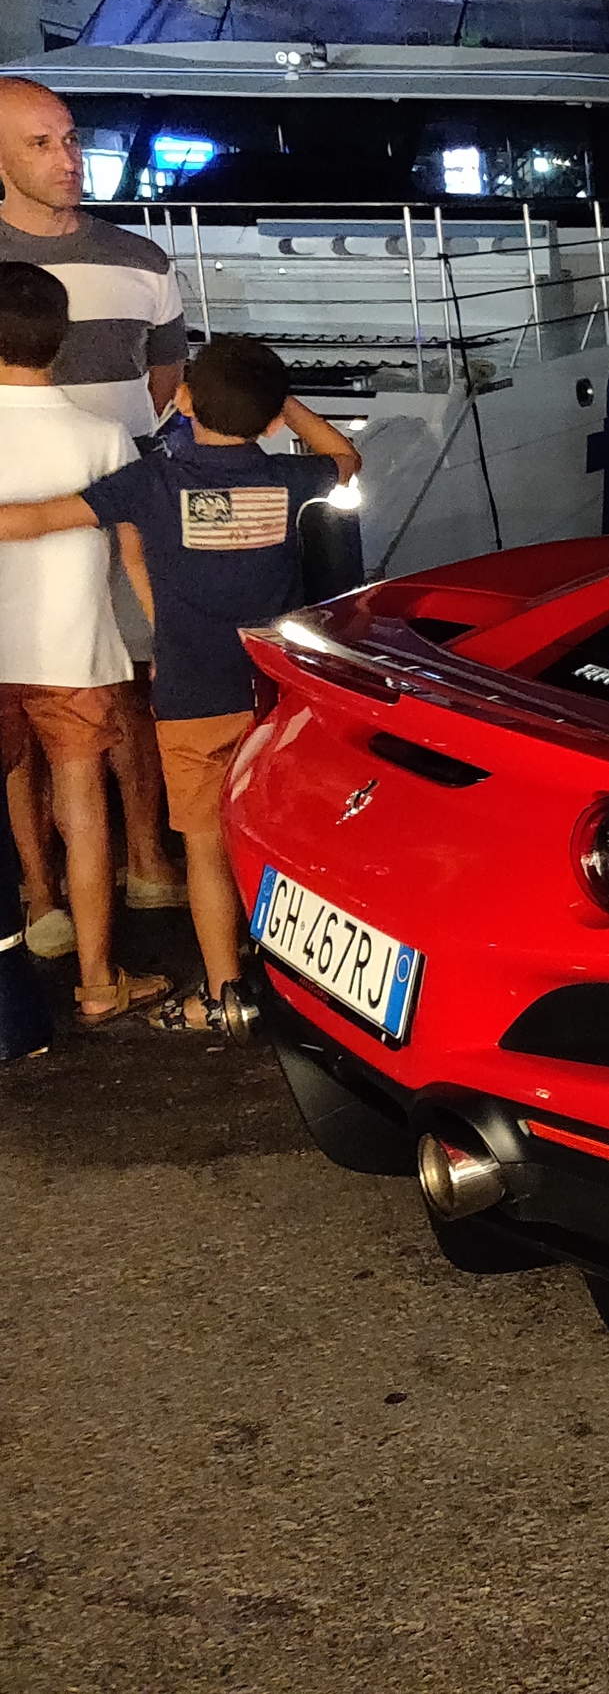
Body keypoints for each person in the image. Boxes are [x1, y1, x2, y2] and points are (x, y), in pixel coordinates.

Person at [0, 335, 358, 1027]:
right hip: (274, 698)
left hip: (192, 699)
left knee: (203, 845)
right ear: (274, 420)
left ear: (185, 401)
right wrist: (282, 403)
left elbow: (41, 518)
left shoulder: (153, 482)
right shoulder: (289, 482)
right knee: (281, 839)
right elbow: (345, 458)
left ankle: (226, 993)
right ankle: (302, 984)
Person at [0, 74, 186, 914]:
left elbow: (165, 379)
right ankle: (44, 897)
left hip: (125, 509)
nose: (69, 158)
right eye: (42, 143)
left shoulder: (142, 259)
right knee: (28, 705)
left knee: (133, 686)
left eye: (71, 138)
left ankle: (145, 858)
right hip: (26, 515)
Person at [0, 262, 168, 1022]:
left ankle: (38, 903)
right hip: (76, 654)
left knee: (12, 779)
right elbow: (140, 560)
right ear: (59, 340)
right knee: (84, 807)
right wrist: (167, 643)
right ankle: (100, 978)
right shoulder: (104, 439)